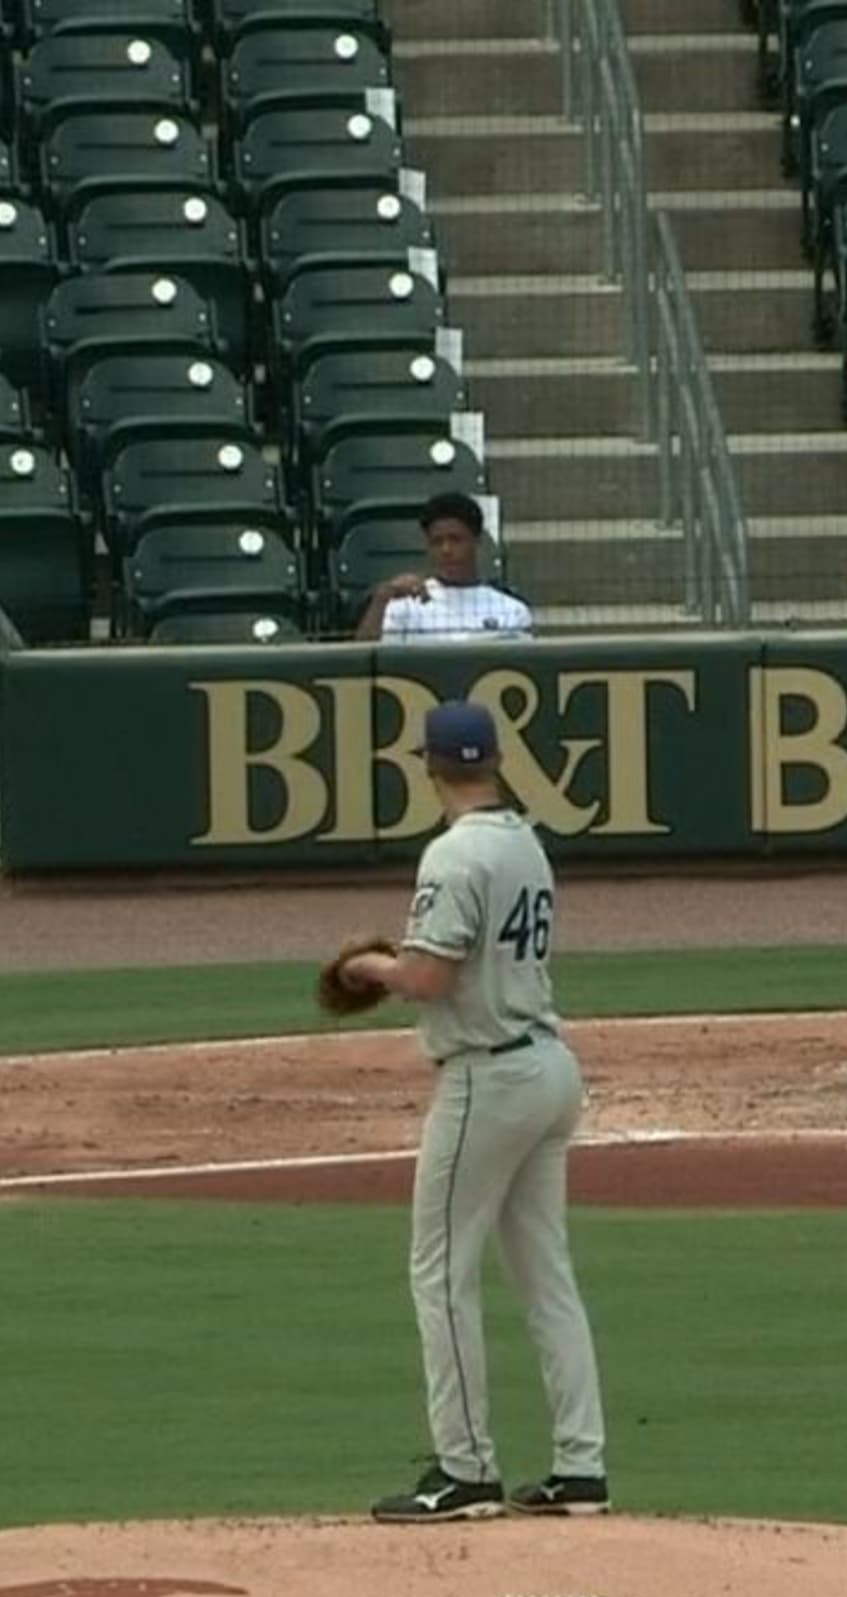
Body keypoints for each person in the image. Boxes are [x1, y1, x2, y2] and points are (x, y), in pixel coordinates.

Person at [334, 700, 608, 1522]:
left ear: (430, 767)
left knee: (440, 1273)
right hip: (550, 1067)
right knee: (546, 1275)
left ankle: (466, 1470)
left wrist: (367, 967)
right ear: (490, 760)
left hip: (486, 1080)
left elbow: (426, 979)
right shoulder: (526, 841)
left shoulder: (452, 857)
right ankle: (581, 1468)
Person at [355, 494, 535, 643]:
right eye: (437, 542)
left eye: (455, 539)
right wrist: (382, 597)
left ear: (477, 540)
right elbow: (361, 664)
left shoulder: (511, 610)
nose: (446, 550)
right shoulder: (405, 606)